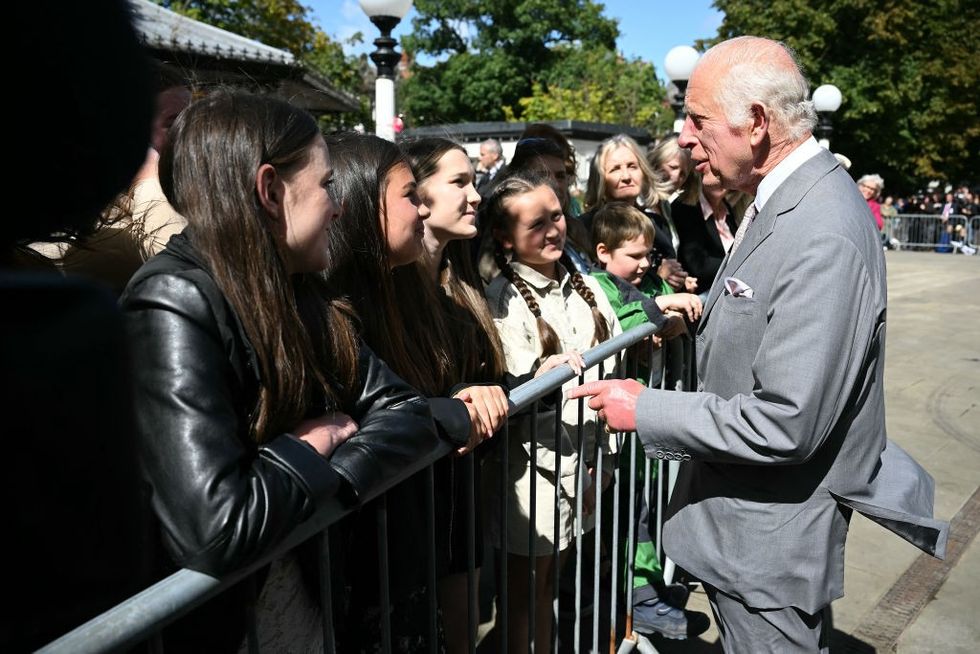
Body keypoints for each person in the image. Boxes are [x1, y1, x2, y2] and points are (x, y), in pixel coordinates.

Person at [570, 36, 947, 653]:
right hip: (747, 535)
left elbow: (785, 421)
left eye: (698, 120)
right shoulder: (786, 200)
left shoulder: (821, 228)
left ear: (756, 122)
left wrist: (645, 408)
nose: (684, 138)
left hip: (767, 547)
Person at [120, 92, 439, 652]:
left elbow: (405, 410)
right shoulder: (171, 301)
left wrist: (333, 471)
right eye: (326, 185)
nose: (337, 208)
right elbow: (218, 527)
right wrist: (311, 445)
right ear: (270, 191)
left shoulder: (298, 292)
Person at [325, 133, 508, 653]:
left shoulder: (440, 286)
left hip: (429, 527)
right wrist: (449, 411)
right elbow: (380, 417)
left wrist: (499, 393)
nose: (474, 196)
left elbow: (446, 391)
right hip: (377, 554)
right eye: (411, 196)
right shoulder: (345, 309)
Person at [483, 172, 621, 651]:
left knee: (547, 589)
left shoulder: (584, 285)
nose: (553, 230)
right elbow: (518, 391)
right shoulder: (501, 299)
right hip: (532, 474)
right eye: (536, 224)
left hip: (583, 466)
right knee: (524, 597)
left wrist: (597, 461)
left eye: (556, 216)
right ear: (506, 238)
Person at [588, 203, 709, 639]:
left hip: (641, 424)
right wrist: (661, 309)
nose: (644, 264)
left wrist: (669, 315)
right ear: (603, 252)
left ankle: (650, 584)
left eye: (648, 255)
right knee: (627, 515)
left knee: (645, 508)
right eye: (634, 256)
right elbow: (624, 318)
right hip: (615, 431)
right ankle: (639, 599)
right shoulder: (599, 285)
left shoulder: (644, 282)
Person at [580, 134, 696, 293]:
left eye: (632, 166)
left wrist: (680, 280)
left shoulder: (656, 223)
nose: (626, 176)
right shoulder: (586, 228)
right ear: (600, 178)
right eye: (615, 169)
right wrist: (658, 278)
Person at [673, 168, 739, 296]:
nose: (718, 182)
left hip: (729, 285)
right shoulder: (686, 207)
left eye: (721, 176)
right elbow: (698, 265)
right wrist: (739, 263)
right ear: (700, 176)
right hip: (702, 293)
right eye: (714, 175)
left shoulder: (725, 206)